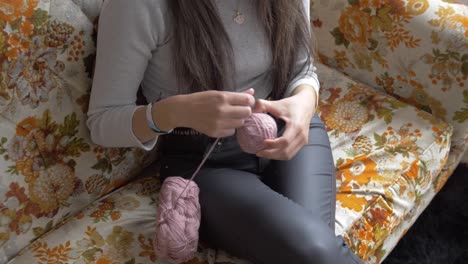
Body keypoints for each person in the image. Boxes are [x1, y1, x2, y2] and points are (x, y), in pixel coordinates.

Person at [86, 0, 364, 263]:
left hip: (290, 132)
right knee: (316, 251)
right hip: (206, 163)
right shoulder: (137, 6)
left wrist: (303, 107)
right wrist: (175, 111)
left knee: (314, 254)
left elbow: (302, 70)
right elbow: (102, 122)